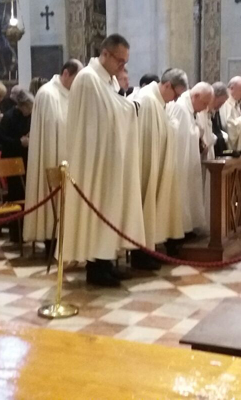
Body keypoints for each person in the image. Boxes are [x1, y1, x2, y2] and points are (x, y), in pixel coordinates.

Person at [63, 34, 146, 287]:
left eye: (125, 62)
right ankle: (96, 268)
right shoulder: (89, 78)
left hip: (107, 159)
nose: (123, 66)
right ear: (106, 54)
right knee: (99, 210)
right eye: (120, 61)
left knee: (110, 211)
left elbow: (113, 109)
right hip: (93, 161)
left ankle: (106, 261)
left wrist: (126, 108)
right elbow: (105, 114)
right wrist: (131, 109)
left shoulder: (106, 79)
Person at [23, 59, 83, 258]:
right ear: (66, 73)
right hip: (53, 156)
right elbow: (51, 132)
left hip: (68, 157)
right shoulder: (48, 94)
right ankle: (51, 239)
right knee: (53, 203)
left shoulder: (71, 94)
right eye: (76, 78)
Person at [135, 68, 188, 268]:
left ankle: (149, 249)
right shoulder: (148, 100)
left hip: (156, 164)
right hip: (147, 166)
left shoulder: (158, 100)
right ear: (167, 85)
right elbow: (146, 139)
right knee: (145, 206)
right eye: (175, 94)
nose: (175, 100)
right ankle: (141, 254)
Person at [167, 82, 213, 237]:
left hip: (190, 162)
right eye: (205, 103)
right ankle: (178, 234)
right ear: (196, 96)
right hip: (180, 164)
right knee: (181, 198)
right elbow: (178, 138)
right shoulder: (180, 108)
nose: (205, 107)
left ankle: (188, 228)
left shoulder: (190, 108)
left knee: (190, 196)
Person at [0, 89, 34, 243]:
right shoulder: (9, 117)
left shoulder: (30, 116)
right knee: (16, 196)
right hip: (12, 159)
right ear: (22, 105)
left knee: (28, 197)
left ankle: (28, 230)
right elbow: (1, 138)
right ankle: (16, 233)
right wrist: (20, 142)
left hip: (27, 160)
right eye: (28, 108)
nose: (30, 111)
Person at [208, 83, 230, 157]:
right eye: (220, 103)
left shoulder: (214, 112)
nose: (219, 107)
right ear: (213, 97)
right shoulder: (202, 111)